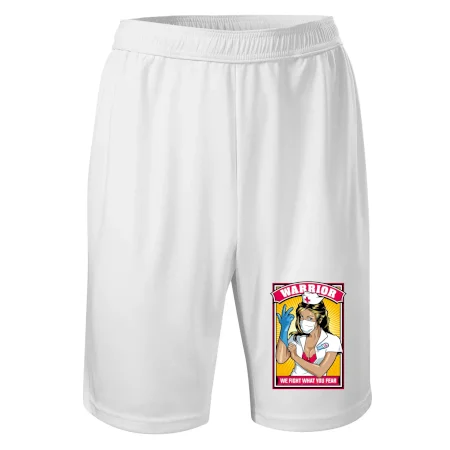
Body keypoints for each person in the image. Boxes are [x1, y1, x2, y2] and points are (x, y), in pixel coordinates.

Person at [276, 292, 342, 377]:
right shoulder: (296, 338)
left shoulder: (332, 340)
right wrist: (284, 329)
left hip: (320, 385)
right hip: (294, 382)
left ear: (320, 319)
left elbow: (320, 372)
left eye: (310, 318)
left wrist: (295, 356)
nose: (304, 322)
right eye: (301, 317)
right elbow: (280, 359)